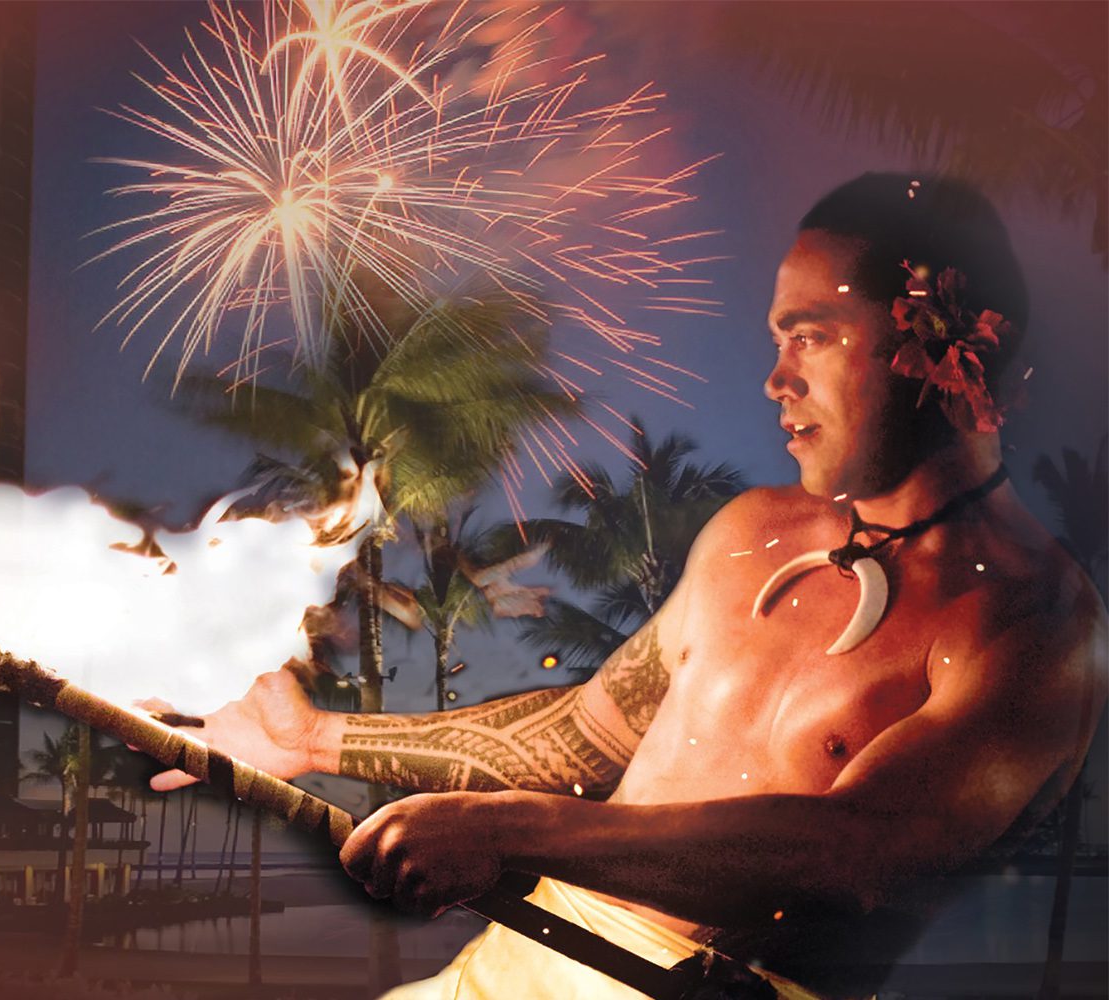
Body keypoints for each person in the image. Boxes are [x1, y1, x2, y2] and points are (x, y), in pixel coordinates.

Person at [152, 174, 1107, 999]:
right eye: (778, 338)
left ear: (944, 348)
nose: (775, 378)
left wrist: (518, 832)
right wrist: (315, 737)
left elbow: (854, 856)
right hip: (517, 964)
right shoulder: (753, 531)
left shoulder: (1038, 622)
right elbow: (581, 735)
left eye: (812, 336)